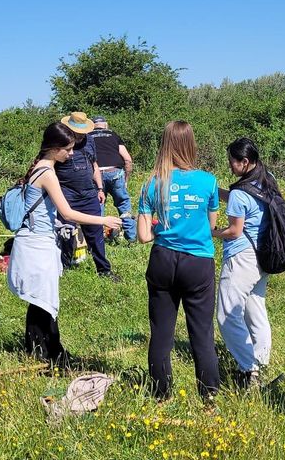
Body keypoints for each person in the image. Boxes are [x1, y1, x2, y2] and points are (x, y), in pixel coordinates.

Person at [9, 122, 122, 364]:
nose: (71, 154)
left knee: (39, 299)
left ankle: (38, 349)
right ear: (54, 148)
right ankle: (51, 352)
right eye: (68, 149)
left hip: (35, 240)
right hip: (38, 243)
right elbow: (68, 213)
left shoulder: (39, 167)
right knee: (45, 301)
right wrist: (103, 219)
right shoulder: (48, 173)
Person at [137, 121, 221, 401]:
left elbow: (144, 236)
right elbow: (211, 225)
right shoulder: (208, 181)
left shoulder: (151, 183)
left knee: (161, 332)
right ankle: (208, 398)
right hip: (197, 262)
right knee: (202, 332)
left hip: (162, 259)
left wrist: (161, 224)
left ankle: (161, 395)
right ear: (190, 145)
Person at [212, 138, 275, 387]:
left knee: (226, 314)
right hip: (264, 255)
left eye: (232, 162)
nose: (230, 167)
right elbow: (249, 203)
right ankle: (261, 361)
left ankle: (248, 369)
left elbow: (234, 231)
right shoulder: (266, 178)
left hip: (242, 258)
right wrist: (216, 192)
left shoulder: (240, 192)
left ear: (245, 162)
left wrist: (213, 232)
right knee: (255, 310)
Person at [55, 112, 117, 280]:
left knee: (96, 234)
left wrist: (99, 188)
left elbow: (94, 165)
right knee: (65, 233)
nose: (80, 134)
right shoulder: (61, 141)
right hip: (66, 194)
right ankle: (63, 268)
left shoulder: (89, 140)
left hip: (89, 193)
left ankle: (104, 271)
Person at [88, 116, 136, 243]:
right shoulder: (113, 135)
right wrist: (126, 179)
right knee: (123, 204)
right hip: (115, 173)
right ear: (106, 125)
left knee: (98, 206)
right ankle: (132, 238)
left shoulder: (87, 137)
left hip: (95, 174)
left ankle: (98, 240)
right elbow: (127, 159)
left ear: (92, 125)